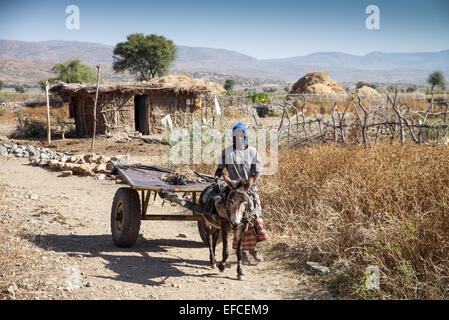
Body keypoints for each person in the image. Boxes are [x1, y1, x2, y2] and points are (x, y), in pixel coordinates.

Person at [214, 122, 269, 264]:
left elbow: (257, 171)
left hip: (248, 188)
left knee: (254, 219)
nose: (238, 138)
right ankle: (242, 252)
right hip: (233, 188)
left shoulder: (252, 152)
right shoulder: (226, 152)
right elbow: (220, 169)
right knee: (235, 219)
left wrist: (253, 183)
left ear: (245, 136)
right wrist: (217, 176)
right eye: (236, 136)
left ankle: (253, 249)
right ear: (233, 137)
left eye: (241, 135)